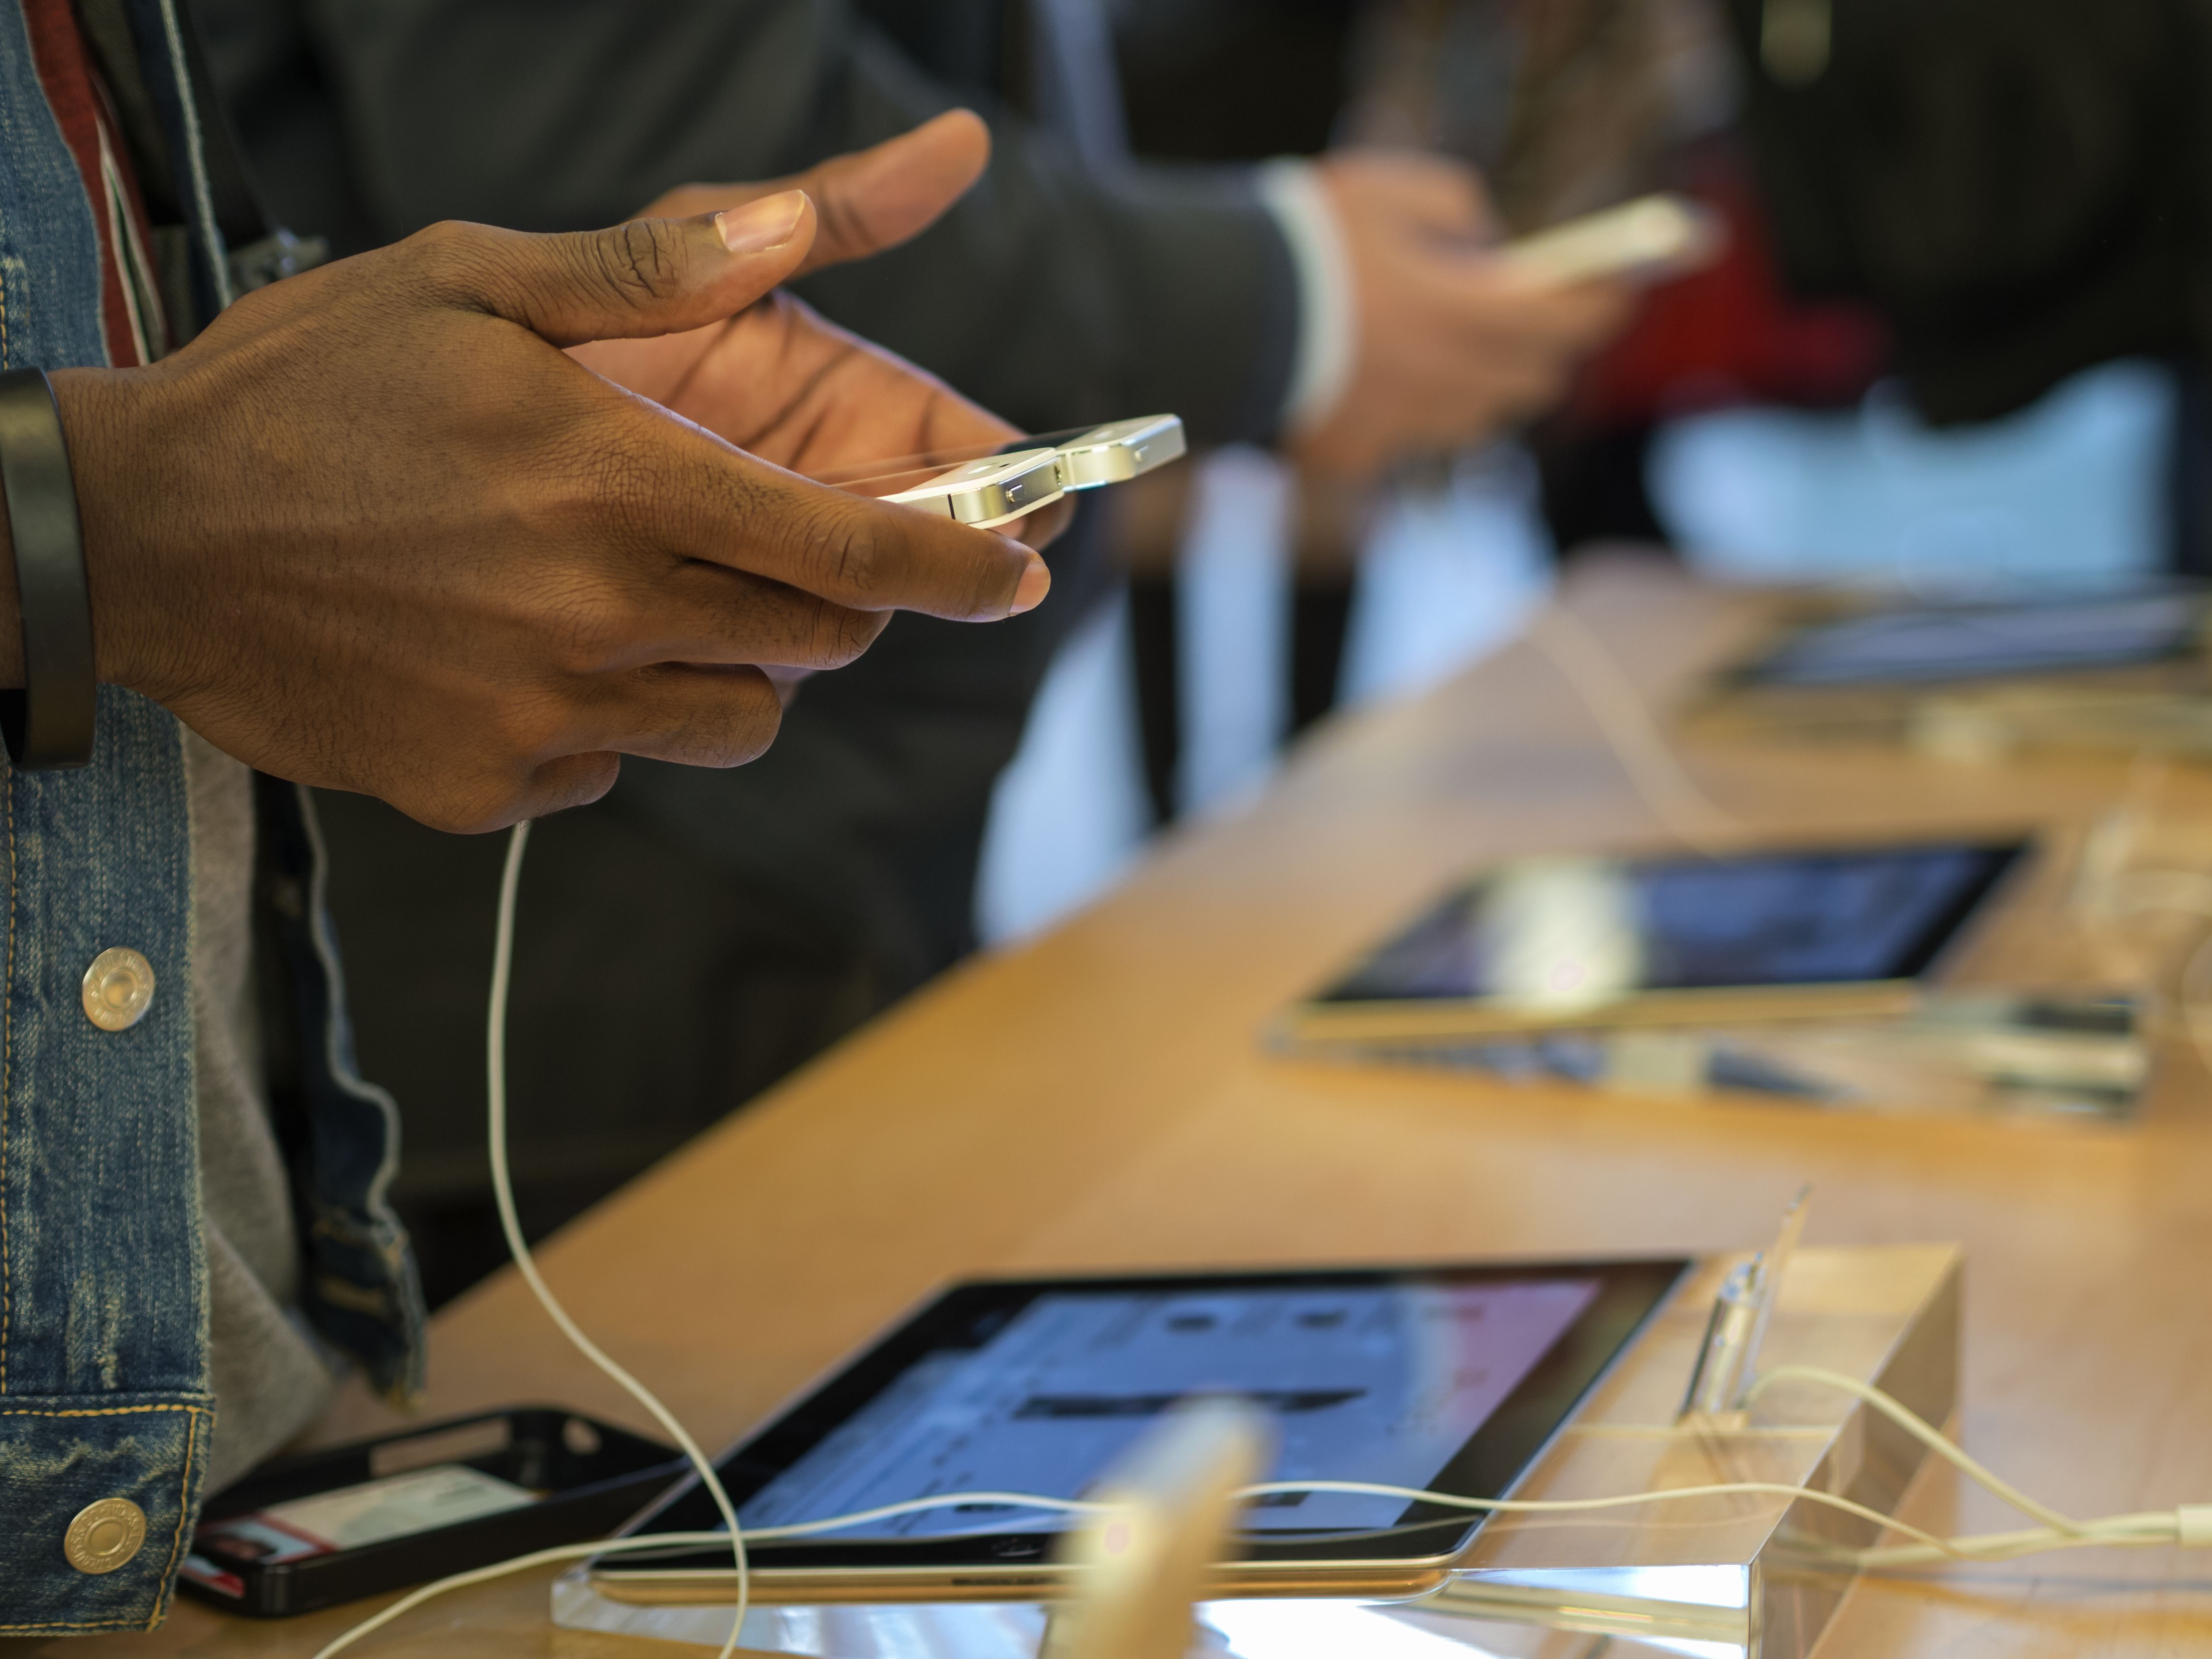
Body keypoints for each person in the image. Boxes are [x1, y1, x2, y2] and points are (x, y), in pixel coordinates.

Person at [188, 0, 1636, 1305]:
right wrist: (1285, 299)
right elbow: (627, 134)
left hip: (757, 815)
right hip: (588, 864)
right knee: (657, 1504)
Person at [0, 0, 1062, 1629]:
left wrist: (516, 407)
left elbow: (90, 325)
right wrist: (105, 526)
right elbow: (109, 476)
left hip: (219, 1439)